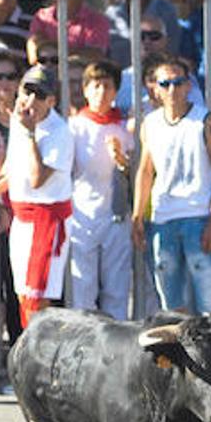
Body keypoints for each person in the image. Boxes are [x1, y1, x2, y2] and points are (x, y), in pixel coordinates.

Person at [0, 65, 74, 325]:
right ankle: (33, 356)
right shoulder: (20, 120)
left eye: (40, 94)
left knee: (39, 297)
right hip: (22, 218)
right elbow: (14, 170)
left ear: (51, 100)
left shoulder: (59, 131)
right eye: (28, 91)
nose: (31, 100)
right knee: (23, 293)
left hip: (47, 220)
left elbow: (38, 179)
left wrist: (28, 133)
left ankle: (43, 359)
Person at [129, 54, 211, 319]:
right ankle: (181, 360)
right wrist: (138, 215)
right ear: (155, 88)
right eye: (165, 83)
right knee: (171, 303)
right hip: (162, 217)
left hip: (198, 216)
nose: (172, 89)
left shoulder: (205, 121)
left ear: (188, 85)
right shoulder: (149, 123)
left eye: (178, 82)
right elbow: (146, 171)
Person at [67, 61, 133, 320]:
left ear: (116, 91)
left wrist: (122, 160)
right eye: (95, 86)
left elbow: (135, 173)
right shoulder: (74, 127)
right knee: (82, 287)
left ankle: (115, 349)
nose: (101, 92)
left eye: (107, 86)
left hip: (116, 216)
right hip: (81, 214)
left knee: (116, 289)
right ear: (85, 90)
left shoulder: (125, 128)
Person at [116, 15, 205, 115]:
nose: (147, 41)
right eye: (141, 36)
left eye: (154, 36)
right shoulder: (121, 79)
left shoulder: (183, 78)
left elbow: (197, 112)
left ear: (165, 40)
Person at [29, 0, 111, 67]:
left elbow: (94, 56)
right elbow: (34, 55)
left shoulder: (97, 20)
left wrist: (52, 53)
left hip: (80, 77)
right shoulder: (41, 17)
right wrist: (76, 52)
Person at [105, 0, 183, 68]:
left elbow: (173, 49)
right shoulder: (112, 14)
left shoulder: (166, 10)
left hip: (157, 73)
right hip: (120, 76)